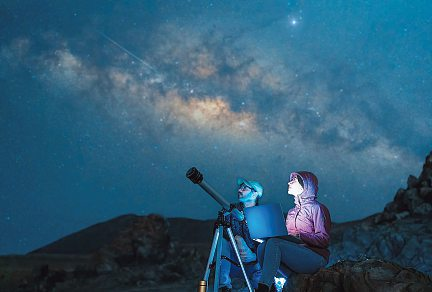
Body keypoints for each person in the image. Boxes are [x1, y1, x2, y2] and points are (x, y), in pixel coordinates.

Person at [256, 171, 331, 292]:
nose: (289, 182)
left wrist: (300, 236)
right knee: (262, 247)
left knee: (274, 243)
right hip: (295, 257)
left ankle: (263, 288)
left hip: (315, 258)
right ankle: (271, 287)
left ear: (305, 185)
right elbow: (286, 239)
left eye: (294, 180)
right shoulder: (291, 212)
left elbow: (324, 240)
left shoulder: (317, 208)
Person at [219, 178, 264, 292]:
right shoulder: (230, 211)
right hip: (234, 260)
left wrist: (255, 256)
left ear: (255, 194)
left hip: (254, 264)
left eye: (244, 188)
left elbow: (269, 242)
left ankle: (258, 287)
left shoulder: (264, 215)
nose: (239, 189)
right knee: (222, 242)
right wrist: (238, 239)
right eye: (240, 187)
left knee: (269, 252)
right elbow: (221, 231)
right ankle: (224, 286)